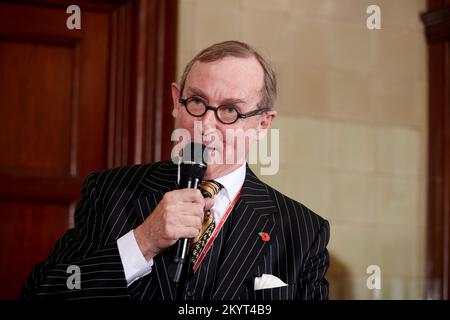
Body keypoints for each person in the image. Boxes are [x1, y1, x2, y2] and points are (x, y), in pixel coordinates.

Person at [20, 40, 330, 300]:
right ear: (175, 101)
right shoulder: (109, 192)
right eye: (196, 101)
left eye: (230, 110)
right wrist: (143, 241)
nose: (205, 125)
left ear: (263, 124)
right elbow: (40, 294)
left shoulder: (302, 231)